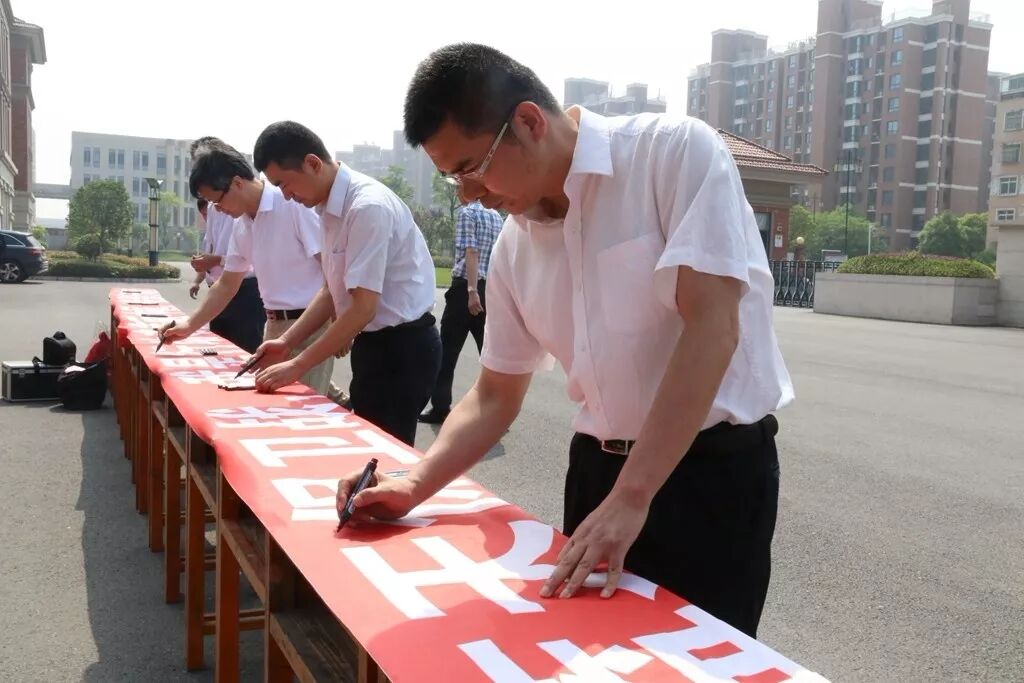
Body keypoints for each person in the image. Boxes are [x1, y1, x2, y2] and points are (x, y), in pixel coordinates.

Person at [336, 43, 792, 639]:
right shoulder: (513, 249)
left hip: (709, 475)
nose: (468, 195)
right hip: (598, 475)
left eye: (472, 167)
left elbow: (713, 327)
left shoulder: (670, 154)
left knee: (696, 661)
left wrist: (634, 497)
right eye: (453, 178)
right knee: (592, 654)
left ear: (528, 121)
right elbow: (495, 392)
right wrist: (415, 482)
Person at [250, 121, 440, 447]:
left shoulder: (366, 207)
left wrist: (298, 364)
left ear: (312, 163)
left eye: (284, 184)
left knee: (384, 457)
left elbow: (362, 309)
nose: (286, 196)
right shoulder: (328, 208)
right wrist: (286, 343)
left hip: (402, 350)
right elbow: (330, 290)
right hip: (374, 347)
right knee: (365, 449)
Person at [160, 144, 335, 394]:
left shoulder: (292, 205)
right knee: (272, 410)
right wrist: (189, 325)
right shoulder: (243, 224)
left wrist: (341, 323)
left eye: (217, 201)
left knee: (303, 414)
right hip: (274, 327)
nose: (217, 210)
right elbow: (227, 284)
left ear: (238, 183)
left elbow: (331, 270)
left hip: (310, 326)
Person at [419, 198, 503, 425]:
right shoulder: (495, 215)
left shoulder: (468, 213)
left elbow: (471, 251)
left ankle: (440, 407)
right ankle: (498, 410)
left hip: (467, 287)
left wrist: (471, 290)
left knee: (447, 351)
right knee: (489, 353)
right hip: (489, 287)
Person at [187, 197, 265, 353]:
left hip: (245, 292)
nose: (215, 208)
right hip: (220, 291)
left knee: (243, 350)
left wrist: (215, 260)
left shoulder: (242, 212)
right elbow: (211, 250)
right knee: (220, 348)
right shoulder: (213, 209)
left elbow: (250, 260)